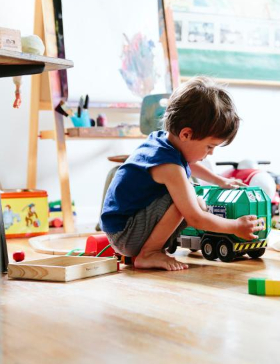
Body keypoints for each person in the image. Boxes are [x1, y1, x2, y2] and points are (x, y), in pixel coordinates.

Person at [100, 76, 264, 271]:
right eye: (209, 146)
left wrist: (220, 180)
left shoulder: (164, 142)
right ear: (186, 134)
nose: (211, 153)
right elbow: (195, 218)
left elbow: (188, 164)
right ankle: (149, 253)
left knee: (196, 201)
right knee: (187, 200)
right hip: (125, 234)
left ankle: (152, 248)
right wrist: (235, 226)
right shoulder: (168, 166)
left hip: (123, 228)